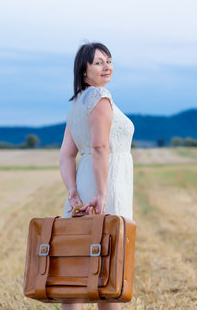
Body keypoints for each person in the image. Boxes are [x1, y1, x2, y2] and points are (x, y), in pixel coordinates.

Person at [58, 42, 135, 310]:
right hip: (107, 183)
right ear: (84, 71)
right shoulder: (100, 97)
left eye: (109, 60)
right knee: (109, 271)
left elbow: (66, 154)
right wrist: (101, 194)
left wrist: (72, 190)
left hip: (84, 183)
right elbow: (101, 147)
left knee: (77, 269)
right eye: (98, 62)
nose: (107, 66)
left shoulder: (76, 103)